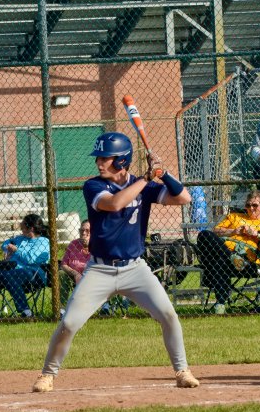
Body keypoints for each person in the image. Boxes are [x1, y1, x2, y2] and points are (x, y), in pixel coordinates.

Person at [32, 132, 199, 392]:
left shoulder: (144, 186)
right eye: (99, 158)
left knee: (168, 315)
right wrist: (146, 178)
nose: (99, 163)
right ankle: (47, 374)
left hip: (135, 268)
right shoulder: (93, 186)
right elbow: (115, 203)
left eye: (105, 159)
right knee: (69, 323)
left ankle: (182, 371)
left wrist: (162, 173)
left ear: (122, 161)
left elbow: (183, 198)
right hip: (100, 269)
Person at [196, 190, 260, 314]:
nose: (251, 208)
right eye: (248, 205)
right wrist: (234, 231)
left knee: (219, 261)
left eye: (255, 205)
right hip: (226, 253)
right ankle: (231, 257)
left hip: (248, 262)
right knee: (204, 234)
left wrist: (257, 233)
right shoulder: (234, 217)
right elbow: (215, 231)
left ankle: (220, 303)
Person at [0, 213, 50, 319]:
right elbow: (4, 244)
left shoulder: (43, 242)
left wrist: (16, 250)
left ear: (31, 229)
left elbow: (30, 259)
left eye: (23, 228)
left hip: (33, 273)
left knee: (7, 274)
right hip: (11, 270)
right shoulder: (20, 238)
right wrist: (8, 247)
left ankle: (25, 311)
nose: (21, 231)